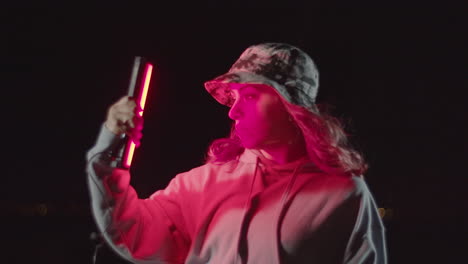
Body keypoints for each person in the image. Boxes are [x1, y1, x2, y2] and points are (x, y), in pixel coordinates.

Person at [86, 42, 387, 263]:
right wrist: (109, 150)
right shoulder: (203, 185)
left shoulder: (343, 195)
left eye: (253, 95)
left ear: (292, 107)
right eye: (235, 97)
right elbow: (133, 233)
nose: (234, 112)